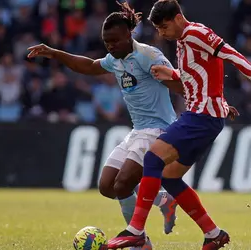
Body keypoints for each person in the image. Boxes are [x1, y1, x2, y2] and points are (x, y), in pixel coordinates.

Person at [27, 6, 184, 249]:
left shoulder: (148, 55)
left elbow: (179, 84)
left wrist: (205, 103)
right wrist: (54, 53)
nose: (110, 46)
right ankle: (164, 200)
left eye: (115, 40)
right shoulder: (115, 60)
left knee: (123, 185)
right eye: (106, 41)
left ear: (129, 36)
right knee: (107, 186)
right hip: (137, 130)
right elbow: (89, 66)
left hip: (159, 131)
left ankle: (140, 241)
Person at [107, 1, 250, 249]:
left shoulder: (196, 33)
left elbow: (230, 55)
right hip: (203, 116)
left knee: (152, 159)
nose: (162, 34)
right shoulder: (184, 41)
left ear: (177, 18)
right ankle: (213, 234)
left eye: (164, 27)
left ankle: (136, 231)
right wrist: (172, 75)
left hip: (200, 117)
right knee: (168, 176)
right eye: (159, 30)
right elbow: (199, 76)